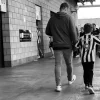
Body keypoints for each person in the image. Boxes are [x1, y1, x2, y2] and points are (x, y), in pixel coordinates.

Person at [45, 2, 77, 92]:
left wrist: (55, 34)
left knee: (57, 65)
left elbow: (47, 31)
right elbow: (73, 33)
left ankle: (58, 86)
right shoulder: (69, 18)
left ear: (60, 8)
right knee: (69, 64)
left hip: (57, 46)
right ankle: (70, 80)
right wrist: (75, 43)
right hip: (67, 46)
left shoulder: (52, 19)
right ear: (66, 8)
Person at [75, 23, 100, 94]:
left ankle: (86, 84)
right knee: (90, 71)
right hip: (91, 58)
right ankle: (90, 85)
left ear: (84, 30)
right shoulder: (93, 37)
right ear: (91, 29)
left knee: (85, 70)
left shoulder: (81, 38)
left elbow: (76, 46)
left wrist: (81, 47)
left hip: (83, 58)